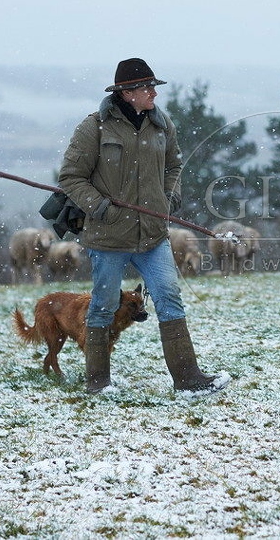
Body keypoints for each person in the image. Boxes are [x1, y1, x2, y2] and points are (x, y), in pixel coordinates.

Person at [59, 58, 229, 395]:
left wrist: (169, 195)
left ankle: (188, 380)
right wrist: (100, 207)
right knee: (104, 306)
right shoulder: (94, 128)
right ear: (126, 92)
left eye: (153, 86)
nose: (153, 92)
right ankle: (98, 382)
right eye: (146, 87)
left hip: (153, 236)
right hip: (108, 238)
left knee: (170, 298)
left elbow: (174, 165)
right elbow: (71, 178)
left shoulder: (162, 124)